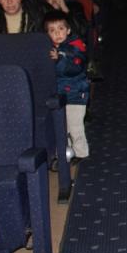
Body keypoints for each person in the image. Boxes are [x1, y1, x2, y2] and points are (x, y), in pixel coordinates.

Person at [44, 11, 90, 160]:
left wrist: (59, 60)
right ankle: (66, 153)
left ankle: (81, 153)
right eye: (52, 30)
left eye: (61, 29)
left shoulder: (75, 48)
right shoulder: (50, 49)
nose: (57, 33)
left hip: (75, 94)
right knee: (63, 127)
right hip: (60, 95)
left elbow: (73, 68)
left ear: (68, 30)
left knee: (75, 127)